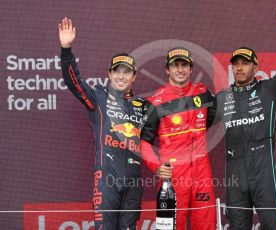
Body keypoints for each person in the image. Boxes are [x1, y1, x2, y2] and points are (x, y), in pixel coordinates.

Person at [207, 9, 276, 230]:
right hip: (235, 173)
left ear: (256, 67)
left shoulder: (268, 89)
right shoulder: (222, 98)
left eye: (245, 63)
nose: (239, 67)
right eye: (235, 63)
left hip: (264, 170)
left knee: (273, 225)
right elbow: (196, 122)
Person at [58, 18, 143, 230]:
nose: (121, 76)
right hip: (107, 180)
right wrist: (66, 49)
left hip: (134, 183)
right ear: (110, 74)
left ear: (134, 76)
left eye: (126, 72)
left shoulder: (143, 106)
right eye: (117, 71)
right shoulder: (98, 98)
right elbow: (73, 81)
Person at [140, 47, 216, 229]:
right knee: (172, 226)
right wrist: (156, 167)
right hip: (174, 174)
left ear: (191, 69)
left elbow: (210, 119)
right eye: (175, 66)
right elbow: (144, 141)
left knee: (206, 224)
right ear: (167, 69)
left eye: (184, 65)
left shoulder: (202, 93)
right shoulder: (155, 102)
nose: (180, 70)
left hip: (201, 173)